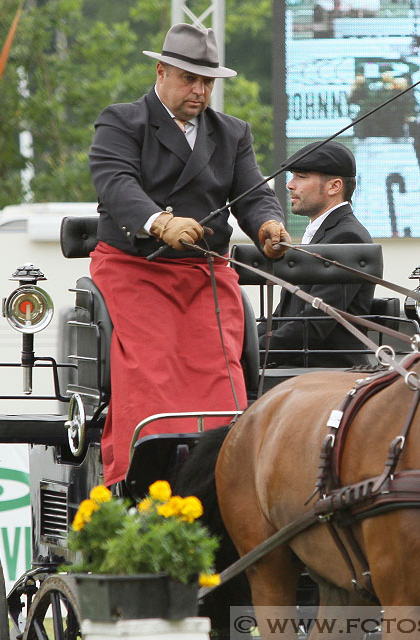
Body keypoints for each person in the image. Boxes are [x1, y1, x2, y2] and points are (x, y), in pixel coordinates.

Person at [88, 23, 291, 486]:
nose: (199, 91)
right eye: (189, 79)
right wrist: (160, 222)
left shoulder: (232, 132)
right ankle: (142, 484)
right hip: (136, 268)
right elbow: (116, 185)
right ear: (161, 72)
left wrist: (267, 226)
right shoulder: (121, 121)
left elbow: (253, 195)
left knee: (222, 381)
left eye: (207, 82)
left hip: (204, 274)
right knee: (151, 377)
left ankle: (224, 484)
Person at [258, 141, 374, 367]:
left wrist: (253, 352)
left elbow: (315, 324)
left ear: (334, 187)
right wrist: (240, 343)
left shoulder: (347, 237)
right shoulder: (324, 232)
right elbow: (281, 318)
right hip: (303, 367)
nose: (290, 185)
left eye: (301, 177)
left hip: (327, 375)